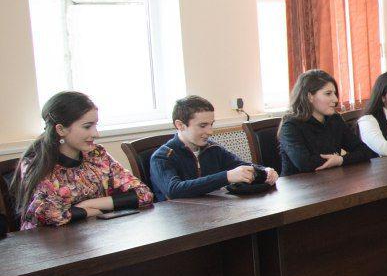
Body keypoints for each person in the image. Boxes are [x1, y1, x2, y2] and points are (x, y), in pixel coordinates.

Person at [16, 91, 154, 229]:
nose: (96, 134)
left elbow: (144, 194)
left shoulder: (97, 154)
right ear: (61, 129)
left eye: (96, 125)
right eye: (87, 126)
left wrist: (87, 205)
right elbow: (49, 214)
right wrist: (88, 212)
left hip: (93, 238)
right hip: (47, 245)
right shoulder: (35, 163)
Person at [150, 95, 277, 201]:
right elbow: (174, 190)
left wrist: (265, 170)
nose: (210, 131)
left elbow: (240, 165)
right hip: (180, 224)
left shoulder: (213, 148)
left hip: (213, 216)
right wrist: (226, 177)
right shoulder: (162, 157)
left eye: (211, 124)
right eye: (203, 125)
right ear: (180, 125)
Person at [278, 69, 374, 175]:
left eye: (335, 93)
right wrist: (340, 160)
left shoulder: (335, 119)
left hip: (330, 182)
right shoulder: (290, 126)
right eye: (328, 94)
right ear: (310, 96)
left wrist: (340, 160)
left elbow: (365, 151)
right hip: (298, 188)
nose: (335, 99)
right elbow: (305, 164)